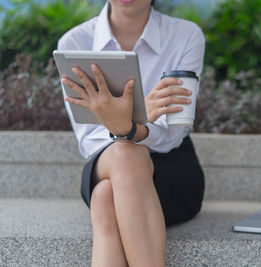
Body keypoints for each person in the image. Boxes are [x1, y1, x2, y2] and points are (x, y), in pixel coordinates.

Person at [57, 0, 205, 266]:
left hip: (171, 167)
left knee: (104, 197)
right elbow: (89, 140)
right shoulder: (75, 42)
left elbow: (174, 133)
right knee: (124, 154)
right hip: (107, 160)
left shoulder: (185, 36)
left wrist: (130, 126)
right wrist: (132, 124)